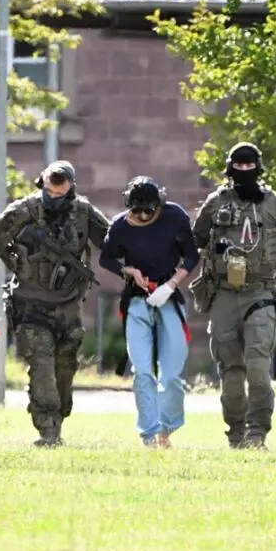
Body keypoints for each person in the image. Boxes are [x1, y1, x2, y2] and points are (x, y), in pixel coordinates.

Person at [0, 161, 110, 447]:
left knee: (64, 369)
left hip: (69, 306)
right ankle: (48, 431)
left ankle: (57, 416)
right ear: (41, 184)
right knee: (41, 366)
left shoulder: (84, 213)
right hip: (30, 304)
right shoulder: (22, 212)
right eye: (49, 191)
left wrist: (136, 268)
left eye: (60, 193)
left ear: (71, 188)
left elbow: (113, 243)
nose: (53, 197)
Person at [190, 142, 276, 450]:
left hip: (260, 291)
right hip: (223, 293)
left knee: (258, 367)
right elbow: (193, 239)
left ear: (258, 169)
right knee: (230, 372)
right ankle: (236, 433)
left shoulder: (275, 205)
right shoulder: (215, 202)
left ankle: (257, 431)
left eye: (249, 167)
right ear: (230, 169)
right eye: (238, 166)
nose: (243, 172)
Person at [99, 176, 199, 448]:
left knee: (171, 374)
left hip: (168, 296)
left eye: (149, 210)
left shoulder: (174, 216)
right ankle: (149, 434)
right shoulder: (120, 225)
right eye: (136, 210)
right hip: (137, 300)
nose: (142, 216)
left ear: (159, 205)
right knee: (142, 371)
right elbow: (106, 257)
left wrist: (170, 285)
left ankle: (166, 429)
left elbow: (192, 256)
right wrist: (127, 271)